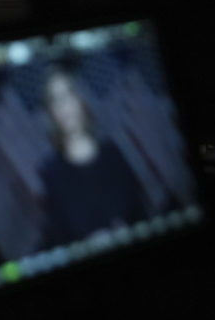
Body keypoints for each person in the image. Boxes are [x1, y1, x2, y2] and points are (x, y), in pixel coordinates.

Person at [36, 66, 149, 249]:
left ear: (80, 99)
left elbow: (141, 212)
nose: (63, 106)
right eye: (55, 100)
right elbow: (60, 239)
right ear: (50, 112)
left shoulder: (113, 154)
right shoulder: (51, 174)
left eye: (68, 94)